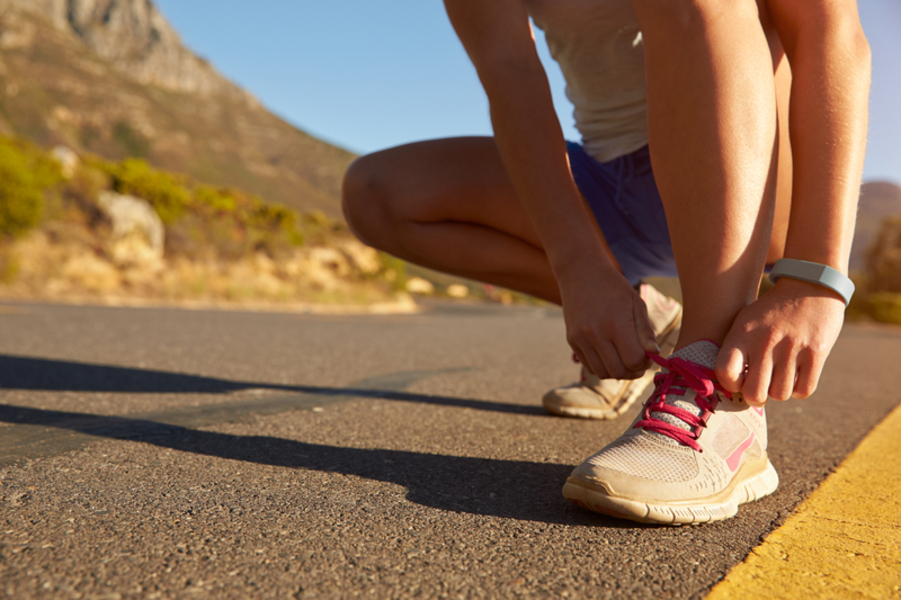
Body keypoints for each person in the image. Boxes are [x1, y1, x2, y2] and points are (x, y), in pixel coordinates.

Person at [341, 0, 870, 524]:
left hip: (760, 179)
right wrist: (580, 268)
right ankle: (649, 317)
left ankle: (713, 383)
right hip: (611, 186)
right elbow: (511, 74)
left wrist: (814, 277)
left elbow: (829, 25)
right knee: (378, 193)